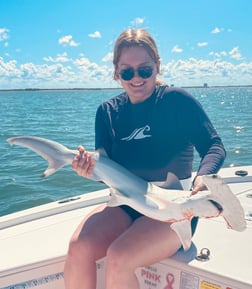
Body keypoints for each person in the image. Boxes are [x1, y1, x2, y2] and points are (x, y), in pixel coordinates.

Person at [64, 28, 226, 289]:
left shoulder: (176, 101)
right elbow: (104, 171)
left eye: (145, 70)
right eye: (127, 71)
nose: (136, 78)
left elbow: (214, 147)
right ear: (117, 72)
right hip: (126, 203)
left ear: (158, 67)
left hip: (174, 209)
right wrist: (88, 171)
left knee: (119, 256)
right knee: (78, 247)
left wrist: (203, 178)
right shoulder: (106, 112)